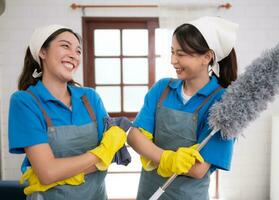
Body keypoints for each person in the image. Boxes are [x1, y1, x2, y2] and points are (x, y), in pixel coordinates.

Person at [8, 25, 127, 200]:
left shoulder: (90, 98)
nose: (74, 55)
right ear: (42, 52)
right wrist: (100, 153)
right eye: (65, 46)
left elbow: (114, 154)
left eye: (78, 51)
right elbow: (47, 173)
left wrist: (60, 171)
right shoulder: (25, 101)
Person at [127, 16, 239, 200]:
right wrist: (168, 159)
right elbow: (134, 136)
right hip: (148, 193)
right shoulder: (162, 88)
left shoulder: (224, 104)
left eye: (181, 54)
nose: (173, 60)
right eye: (172, 52)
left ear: (206, 57)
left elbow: (198, 169)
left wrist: (153, 152)